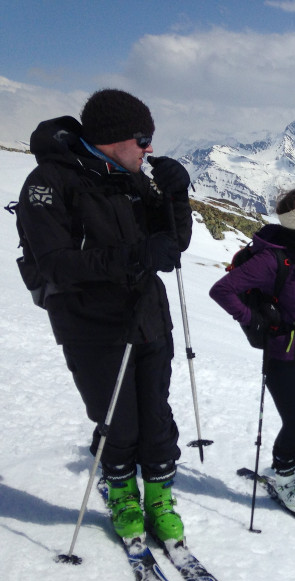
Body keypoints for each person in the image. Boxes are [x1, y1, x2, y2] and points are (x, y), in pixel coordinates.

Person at [17, 89, 192, 542]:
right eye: (143, 139)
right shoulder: (49, 183)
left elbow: (172, 246)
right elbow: (55, 263)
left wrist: (175, 197)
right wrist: (137, 255)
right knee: (118, 421)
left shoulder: (130, 177)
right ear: (116, 138)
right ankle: (121, 492)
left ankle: (157, 494)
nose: (149, 148)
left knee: (155, 415)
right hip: (91, 325)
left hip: (148, 317)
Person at [209, 188, 295, 525]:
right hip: (285, 354)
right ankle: (286, 482)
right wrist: (253, 320)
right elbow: (222, 290)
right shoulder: (272, 259)